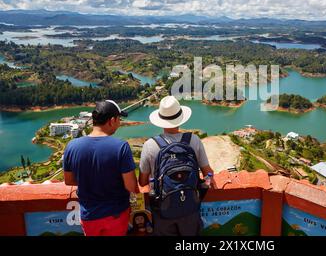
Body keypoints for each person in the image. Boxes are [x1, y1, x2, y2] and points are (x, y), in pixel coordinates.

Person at [139, 95, 214, 236]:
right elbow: (208, 173)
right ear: (181, 118)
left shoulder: (150, 145)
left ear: (161, 120)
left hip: (163, 212)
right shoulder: (194, 140)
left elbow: (142, 182)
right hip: (190, 209)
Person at [63, 100, 139, 236]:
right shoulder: (121, 147)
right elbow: (131, 186)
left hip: (89, 216)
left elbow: (69, 180)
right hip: (116, 214)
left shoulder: (72, 146)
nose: (119, 123)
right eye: (119, 119)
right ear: (112, 120)